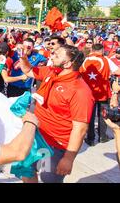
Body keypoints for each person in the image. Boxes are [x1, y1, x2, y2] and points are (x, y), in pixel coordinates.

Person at [18, 45, 94, 183]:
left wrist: (68, 158)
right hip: (36, 137)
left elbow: (81, 129)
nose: (51, 56)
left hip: (55, 146)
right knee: (26, 170)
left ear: (68, 63)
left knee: (48, 179)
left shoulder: (80, 91)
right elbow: (28, 70)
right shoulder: (50, 72)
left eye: (57, 55)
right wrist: (23, 58)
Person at [80, 44, 120, 146]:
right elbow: (117, 71)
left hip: (89, 92)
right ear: (102, 50)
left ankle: (91, 138)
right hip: (103, 92)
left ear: (92, 50)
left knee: (90, 115)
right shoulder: (106, 59)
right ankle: (103, 136)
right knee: (103, 114)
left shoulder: (85, 60)